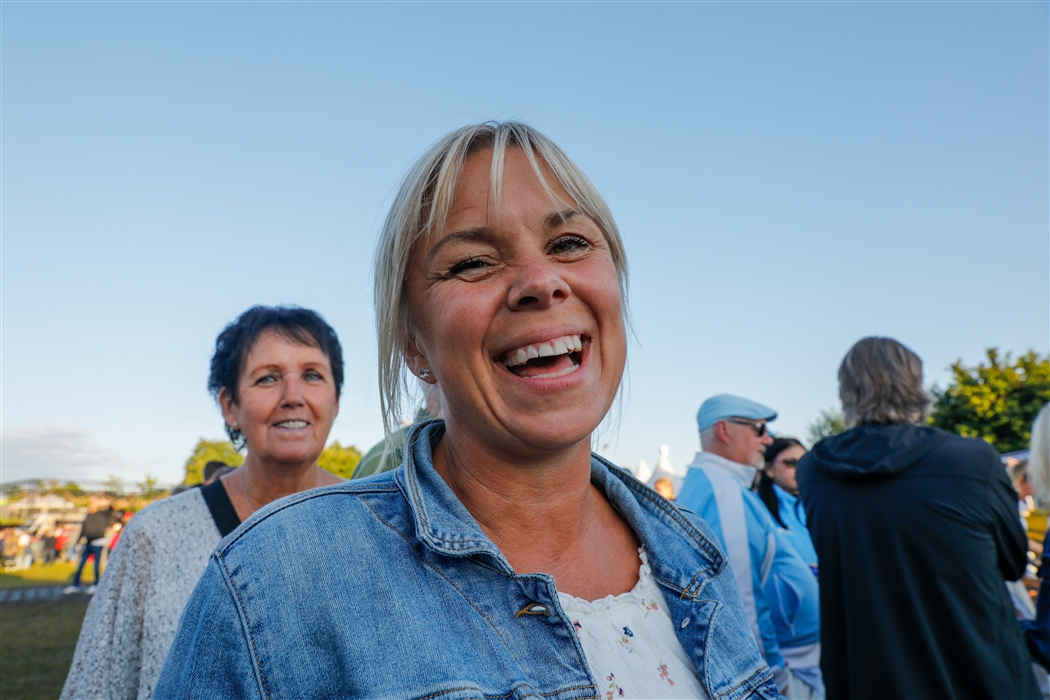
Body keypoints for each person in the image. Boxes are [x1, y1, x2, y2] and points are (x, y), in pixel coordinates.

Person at [155, 122, 779, 699]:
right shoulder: (279, 581)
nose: (541, 281)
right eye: (474, 262)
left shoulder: (695, 558)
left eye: (568, 242)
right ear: (413, 345)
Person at [62, 306, 346, 700]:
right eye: (268, 378)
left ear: (335, 400)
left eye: (312, 375)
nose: (293, 396)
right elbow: (94, 689)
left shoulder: (376, 526)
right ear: (229, 407)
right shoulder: (154, 537)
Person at [797, 337, 1038, 700]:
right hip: (978, 670)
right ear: (915, 385)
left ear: (847, 391)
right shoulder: (971, 459)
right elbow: (1012, 561)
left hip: (871, 676)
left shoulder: (814, 470)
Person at [677, 395, 823, 698]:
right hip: (786, 666)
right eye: (759, 429)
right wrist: (771, 677)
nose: (767, 440)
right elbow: (740, 597)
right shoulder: (724, 491)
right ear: (723, 431)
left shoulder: (714, 484)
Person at [756, 438, 818, 574]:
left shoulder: (815, 506)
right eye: (791, 463)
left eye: (804, 463)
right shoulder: (755, 508)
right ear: (769, 469)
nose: (800, 469)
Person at [64, 506, 113, 594]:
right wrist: (77, 541)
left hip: (98, 542)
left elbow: (110, 509)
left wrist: (103, 502)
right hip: (88, 543)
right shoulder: (88, 516)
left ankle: (96, 584)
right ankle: (75, 585)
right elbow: (84, 530)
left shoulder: (102, 515)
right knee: (81, 564)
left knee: (96, 565)